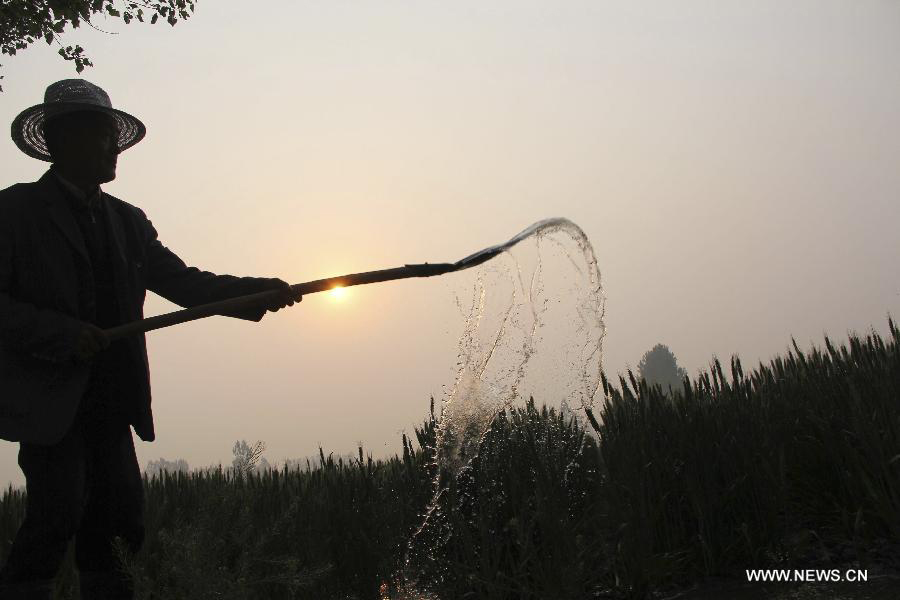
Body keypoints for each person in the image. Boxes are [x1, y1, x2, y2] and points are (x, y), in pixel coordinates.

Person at [0, 79, 302, 599]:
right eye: (101, 137)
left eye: (114, 138)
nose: (114, 150)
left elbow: (186, 284)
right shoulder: (15, 213)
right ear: (63, 141)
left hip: (114, 401)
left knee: (119, 525)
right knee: (56, 514)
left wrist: (258, 293)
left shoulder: (129, 222)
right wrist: (63, 334)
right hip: (51, 406)